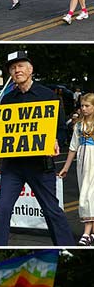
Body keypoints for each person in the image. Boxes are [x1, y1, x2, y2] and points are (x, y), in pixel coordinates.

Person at [0, 50, 75, 246]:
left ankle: (66, 248)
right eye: (12, 68)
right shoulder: (7, 99)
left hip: (40, 165)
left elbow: (61, 129)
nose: (16, 70)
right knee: (2, 209)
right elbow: (1, 132)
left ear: (30, 69)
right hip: (13, 166)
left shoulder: (48, 95)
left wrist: (55, 141)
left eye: (20, 66)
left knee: (52, 210)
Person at [59, 93, 94, 245]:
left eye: (87, 106)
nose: (84, 109)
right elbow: (73, 147)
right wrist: (66, 167)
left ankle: (86, 233)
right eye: (82, 106)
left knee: (87, 195)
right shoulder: (79, 125)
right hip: (82, 161)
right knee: (87, 194)